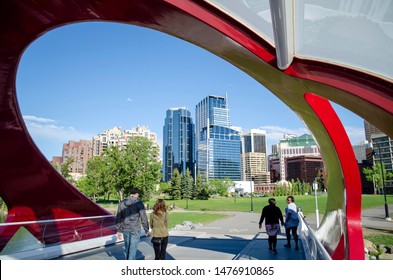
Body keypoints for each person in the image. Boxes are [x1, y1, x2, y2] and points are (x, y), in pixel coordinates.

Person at [115, 188, 149, 260]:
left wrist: (118, 230)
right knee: (132, 251)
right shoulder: (139, 203)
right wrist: (146, 229)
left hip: (125, 228)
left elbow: (118, 217)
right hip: (135, 229)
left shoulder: (122, 202)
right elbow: (143, 217)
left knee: (127, 250)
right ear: (137, 194)